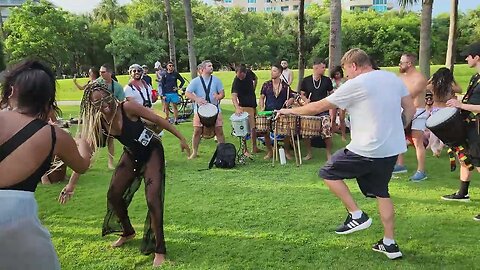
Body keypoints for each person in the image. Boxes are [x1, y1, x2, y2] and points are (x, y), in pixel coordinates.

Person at [277, 48, 415, 260]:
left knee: (328, 172)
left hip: (367, 148)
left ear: (353, 66)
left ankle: (357, 215)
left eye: (346, 70)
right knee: (382, 192)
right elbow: (409, 107)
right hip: (391, 149)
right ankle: (390, 243)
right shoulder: (391, 78)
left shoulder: (356, 83)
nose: (346, 75)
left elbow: (318, 107)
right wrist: (399, 126)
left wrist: (288, 111)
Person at [63, 81, 190, 267]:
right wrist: (71, 184)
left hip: (152, 151)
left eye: (105, 98)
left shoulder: (127, 107)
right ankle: (128, 232)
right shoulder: (100, 121)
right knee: (114, 195)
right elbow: (86, 154)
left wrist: (181, 138)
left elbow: (157, 120)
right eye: (97, 102)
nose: (104, 104)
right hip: (132, 155)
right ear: (92, 106)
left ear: (110, 93)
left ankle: (160, 250)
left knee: (153, 199)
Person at [0, 59, 91, 270]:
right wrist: (83, 143)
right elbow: (82, 165)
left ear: (12, 91)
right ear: (48, 100)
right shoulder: (54, 136)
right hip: (19, 228)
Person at [442, 42, 480, 204]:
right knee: (464, 156)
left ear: (477, 57)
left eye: (468, 55)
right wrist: (457, 100)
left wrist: (461, 105)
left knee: (478, 161)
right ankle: (463, 193)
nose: (466, 58)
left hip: (478, 126)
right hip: (469, 123)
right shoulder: (476, 77)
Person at [393, 53, 429, 182]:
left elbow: (410, 95)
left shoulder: (419, 78)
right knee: (399, 138)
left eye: (401, 62)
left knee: (417, 141)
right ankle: (400, 164)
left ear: (409, 63)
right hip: (403, 110)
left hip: (418, 111)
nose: (399, 64)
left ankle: (421, 171)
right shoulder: (400, 77)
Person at [185, 60, 225, 159]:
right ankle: (194, 152)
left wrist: (218, 96)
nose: (211, 67)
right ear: (202, 69)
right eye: (209, 66)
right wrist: (197, 99)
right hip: (199, 110)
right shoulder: (195, 81)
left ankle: (222, 152)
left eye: (211, 66)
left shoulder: (216, 80)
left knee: (219, 130)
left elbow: (222, 94)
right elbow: (187, 93)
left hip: (215, 110)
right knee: (197, 130)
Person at [299, 59, 334, 160]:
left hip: (323, 109)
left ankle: (328, 153)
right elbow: (302, 94)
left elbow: (331, 93)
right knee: (306, 131)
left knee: (327, 130)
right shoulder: (306, 80)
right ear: (315, 68)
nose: (324, 69)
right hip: (310, 109)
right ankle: (309, 153)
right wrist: (305, 100)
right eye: (322, 67)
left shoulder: (327, 80)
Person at [259, 63, 295, 160]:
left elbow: (292, 97)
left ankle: (287, 151)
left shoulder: (285, 86)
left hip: (281, 113)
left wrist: (290, 101)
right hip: (268, 112)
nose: (272, 72)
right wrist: (262, 107)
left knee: (287, 132)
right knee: (265, 131)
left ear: (280, 73)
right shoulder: (266, 85)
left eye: (274, 71)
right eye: (271, 70)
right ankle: (270, 151)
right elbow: (262, 98)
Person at [426, 68, 462, 157]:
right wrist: (453, 81)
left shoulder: (432, 86)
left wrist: (430, 80)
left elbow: (423, 87)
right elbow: (460, 90)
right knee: (446, 131)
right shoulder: (450, 86)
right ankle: (441, 146)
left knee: (435, 132)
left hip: (435, 110)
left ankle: (433, 146)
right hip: (446, 110)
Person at [97, 63, 125, 169]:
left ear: (110, 73)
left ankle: (110, 162)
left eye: (103, 72)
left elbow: (122, 101)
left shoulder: (117, 86)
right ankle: (88, 161)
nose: (100, 74)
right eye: (100, 72)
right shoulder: (97, 83)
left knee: (110, 138)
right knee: (93, 139)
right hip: (98, 116)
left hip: (110, 116)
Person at [231, 64, 259, 155]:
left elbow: (256, 78)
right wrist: (237, 108)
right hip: (244, 105)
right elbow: (234, 97)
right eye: (238, 76)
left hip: (253, 104)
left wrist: (253, 88)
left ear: (245, 72)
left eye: (241, 76)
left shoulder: (250, 73)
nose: (239, 78)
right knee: (244, 128)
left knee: (254, 128)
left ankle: (254, 147)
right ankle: (245, 149)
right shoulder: (236, 81)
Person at [330, 65, 347, 141]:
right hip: (333, 100)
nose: (337, 75)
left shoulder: (344, 81)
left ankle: (343, 135)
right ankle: (332, 133)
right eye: (335, 74)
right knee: (332, 118)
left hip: (342, 100)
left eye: (338, 74)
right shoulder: (331, 80)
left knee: (342, 118)